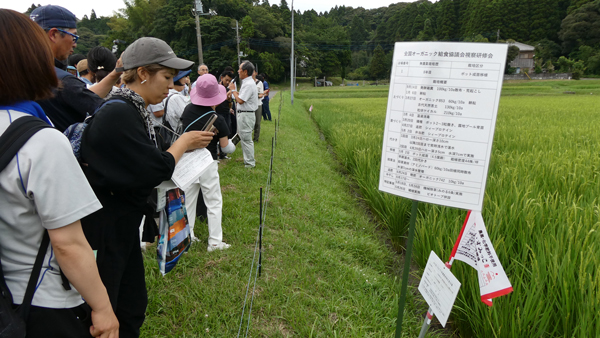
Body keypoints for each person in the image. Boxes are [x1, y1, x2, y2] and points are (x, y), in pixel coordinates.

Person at [79, 37, 214, 337]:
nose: (171, 84)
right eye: (166, 76)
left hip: (124, 224)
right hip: (106, 228)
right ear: (142, 73)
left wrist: (183, 147)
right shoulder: (119, 112)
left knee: (132, 305)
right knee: (110, 307)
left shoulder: (134, 109)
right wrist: (183, 143)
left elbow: (150, 154)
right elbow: (155, 168)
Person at [0, 9, 119, 338]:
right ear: (30, 59)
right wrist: (103, 307)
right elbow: (68, 244)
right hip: (39, 299)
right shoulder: (41, 141)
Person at [31, 5, 123, 131]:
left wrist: (116, 72)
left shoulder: (17, 75)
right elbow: (112, 116)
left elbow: (84, 96)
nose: (75, 44)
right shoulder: (62, 82)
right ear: (53, 34)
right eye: (73, 36)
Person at [181, 74, 236, 252]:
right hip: (207, 162)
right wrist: (233, 146)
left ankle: (188, 237)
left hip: (187, 160)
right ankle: (214, 242)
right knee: (213, 202)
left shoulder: (187, 110)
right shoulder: (217, 118)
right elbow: (225, 147)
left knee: (188, 200)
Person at [230, 61, 258, 168]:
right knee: (244, 137)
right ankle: (247, 160)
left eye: (240, 69)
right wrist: (234, 92)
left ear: (245, 71)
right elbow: (239, 97)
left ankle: (250, 163)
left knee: (246, 139)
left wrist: (233, 90)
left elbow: (240, 100)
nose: (238, 71)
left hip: (246, 115)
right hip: (244, 114)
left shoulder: (249, 84)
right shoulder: (247, 83)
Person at [216, 70, 235, 159]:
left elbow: (229, 105)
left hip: (226, 113)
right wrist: (224, 97)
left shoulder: (228, 90)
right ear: (222, 78)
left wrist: (229, 100)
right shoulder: (216, 88)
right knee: (217, 134)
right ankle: (217, 153)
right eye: (226, 80)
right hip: (218, 113)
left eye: (229, 81)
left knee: (226, 132)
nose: (227, 82)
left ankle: (224, 154)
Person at [252, 71, 265, 142]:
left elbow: (262, 95)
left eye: (253, 72)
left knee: (257, 122)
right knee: (250, 122)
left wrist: (255, 96)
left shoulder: (260, 83)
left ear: (256, 73)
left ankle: (256, 138)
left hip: (258, 105)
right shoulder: (247, 83)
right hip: (249, 106)